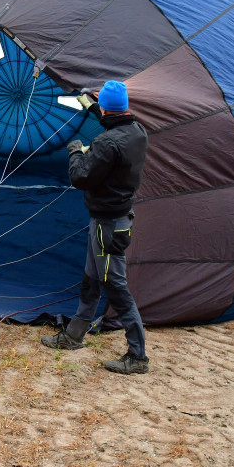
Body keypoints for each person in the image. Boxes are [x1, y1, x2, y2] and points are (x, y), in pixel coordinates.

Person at [41, 80, 150, 375]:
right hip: (117, 220)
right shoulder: (137, 132)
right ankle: (74, 335)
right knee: (92, 277)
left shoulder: (106, 143)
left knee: (115, 286)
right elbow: (112, 122)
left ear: (105, 107)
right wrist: (91, 105)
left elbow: (81, 178)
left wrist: (75, 151)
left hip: (106, 226)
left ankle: (138, 356)